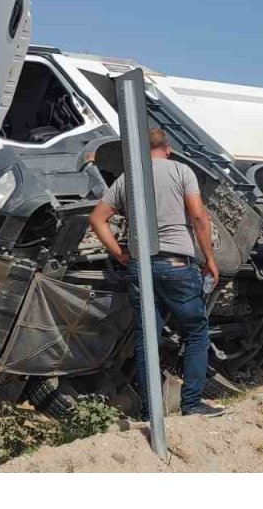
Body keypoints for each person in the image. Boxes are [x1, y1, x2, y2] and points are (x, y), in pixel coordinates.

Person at [89, 128, 225, 418]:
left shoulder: (128, 179)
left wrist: (120, 254)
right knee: (196, 332)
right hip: (176, 263)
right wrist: (210, 259)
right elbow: (199, 216)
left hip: (141, 265)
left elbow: (97, 219)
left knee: (146, 337)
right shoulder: (180, 171)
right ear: (168, 148)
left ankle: (151, 412)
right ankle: (191, 405)